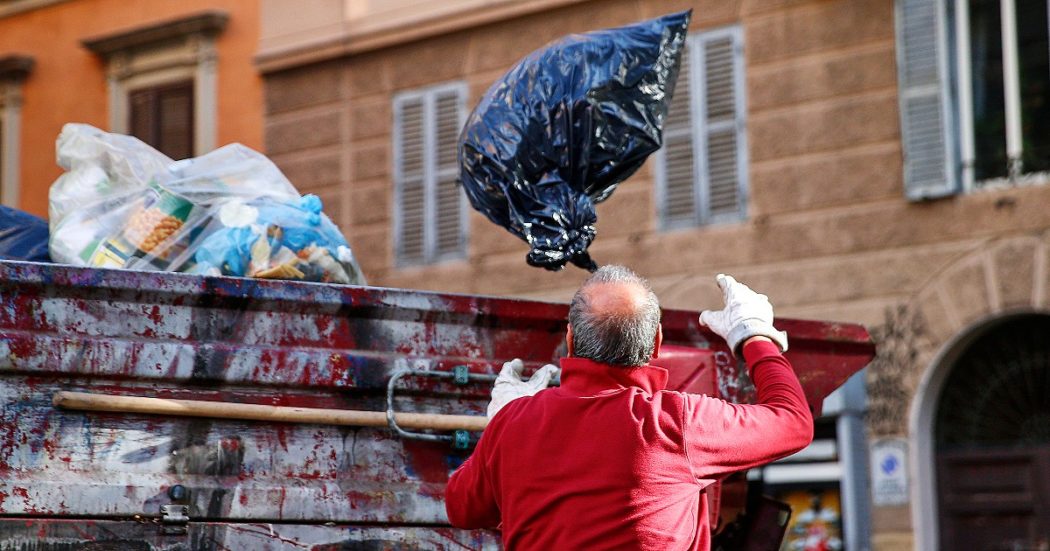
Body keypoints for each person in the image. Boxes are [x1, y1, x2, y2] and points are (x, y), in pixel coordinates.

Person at [444, 265, 814, 550]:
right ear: (656, 344)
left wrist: (501, 424)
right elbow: (793, 421)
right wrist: (753, 335)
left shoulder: (514, 423)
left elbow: (462, 509)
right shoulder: (677, 423)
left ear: (570, 340)